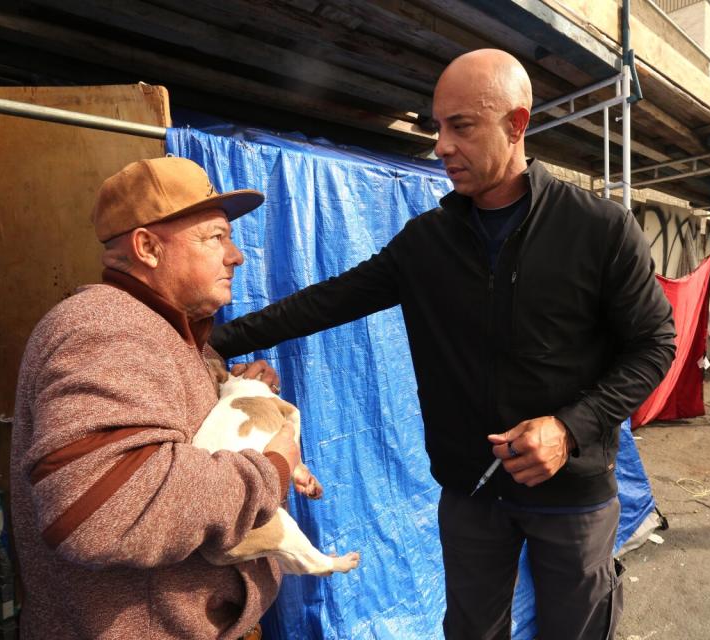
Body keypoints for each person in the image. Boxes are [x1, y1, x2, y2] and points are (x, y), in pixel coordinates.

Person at [211, 49, 676, 639]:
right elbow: (326, 300)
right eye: (437, 126)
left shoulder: (599, 229)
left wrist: (569, 427)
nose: (441, 145)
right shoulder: (427, 242)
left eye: (462, 126)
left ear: (517, 124)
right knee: (472, 630)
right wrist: (210, 341)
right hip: (471, 492)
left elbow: (655, 344)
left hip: (573, 496)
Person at [11, 157, 290, 639]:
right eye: (215, 238)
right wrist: (271, 469)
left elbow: (174, 432)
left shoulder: (168, 334)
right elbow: (98, 510)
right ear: (148, 248)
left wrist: (237, 392)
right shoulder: (105, 327)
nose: (236, 255)